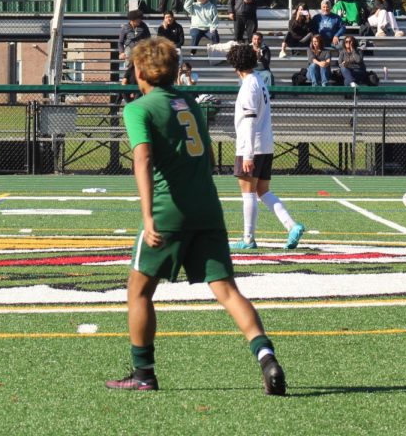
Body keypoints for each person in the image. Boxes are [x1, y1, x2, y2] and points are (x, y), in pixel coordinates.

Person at [105, 36, 286, 394]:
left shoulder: (138, 108)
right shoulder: (188, 101)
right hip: (208, 207)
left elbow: (142, 159)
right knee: (228, 291)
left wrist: (148, 216)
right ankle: (266, 357)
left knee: (139, 290)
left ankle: (143, 373)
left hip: (169, 208)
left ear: (139, 70)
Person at [227, 42, 304, 251]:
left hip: (251, 146)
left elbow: (250, 120)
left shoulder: (248, 86)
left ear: (235, 65)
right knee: (263, 191)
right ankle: (292, 226)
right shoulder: (258, 80)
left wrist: (248, 155)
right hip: (265, 144)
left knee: (248, 192)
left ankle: (248, 238)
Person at [118, 9, 151, 85]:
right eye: (138, 19)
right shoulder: (125, 28)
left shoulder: (144, 27)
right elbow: (120, 42)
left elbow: (148, 39)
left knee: (139, 68)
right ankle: (126, 82)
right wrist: (121, 52)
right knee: (130, 67)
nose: (140, 20)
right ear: (132, 20)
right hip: (129, 50)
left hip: (140, 50)